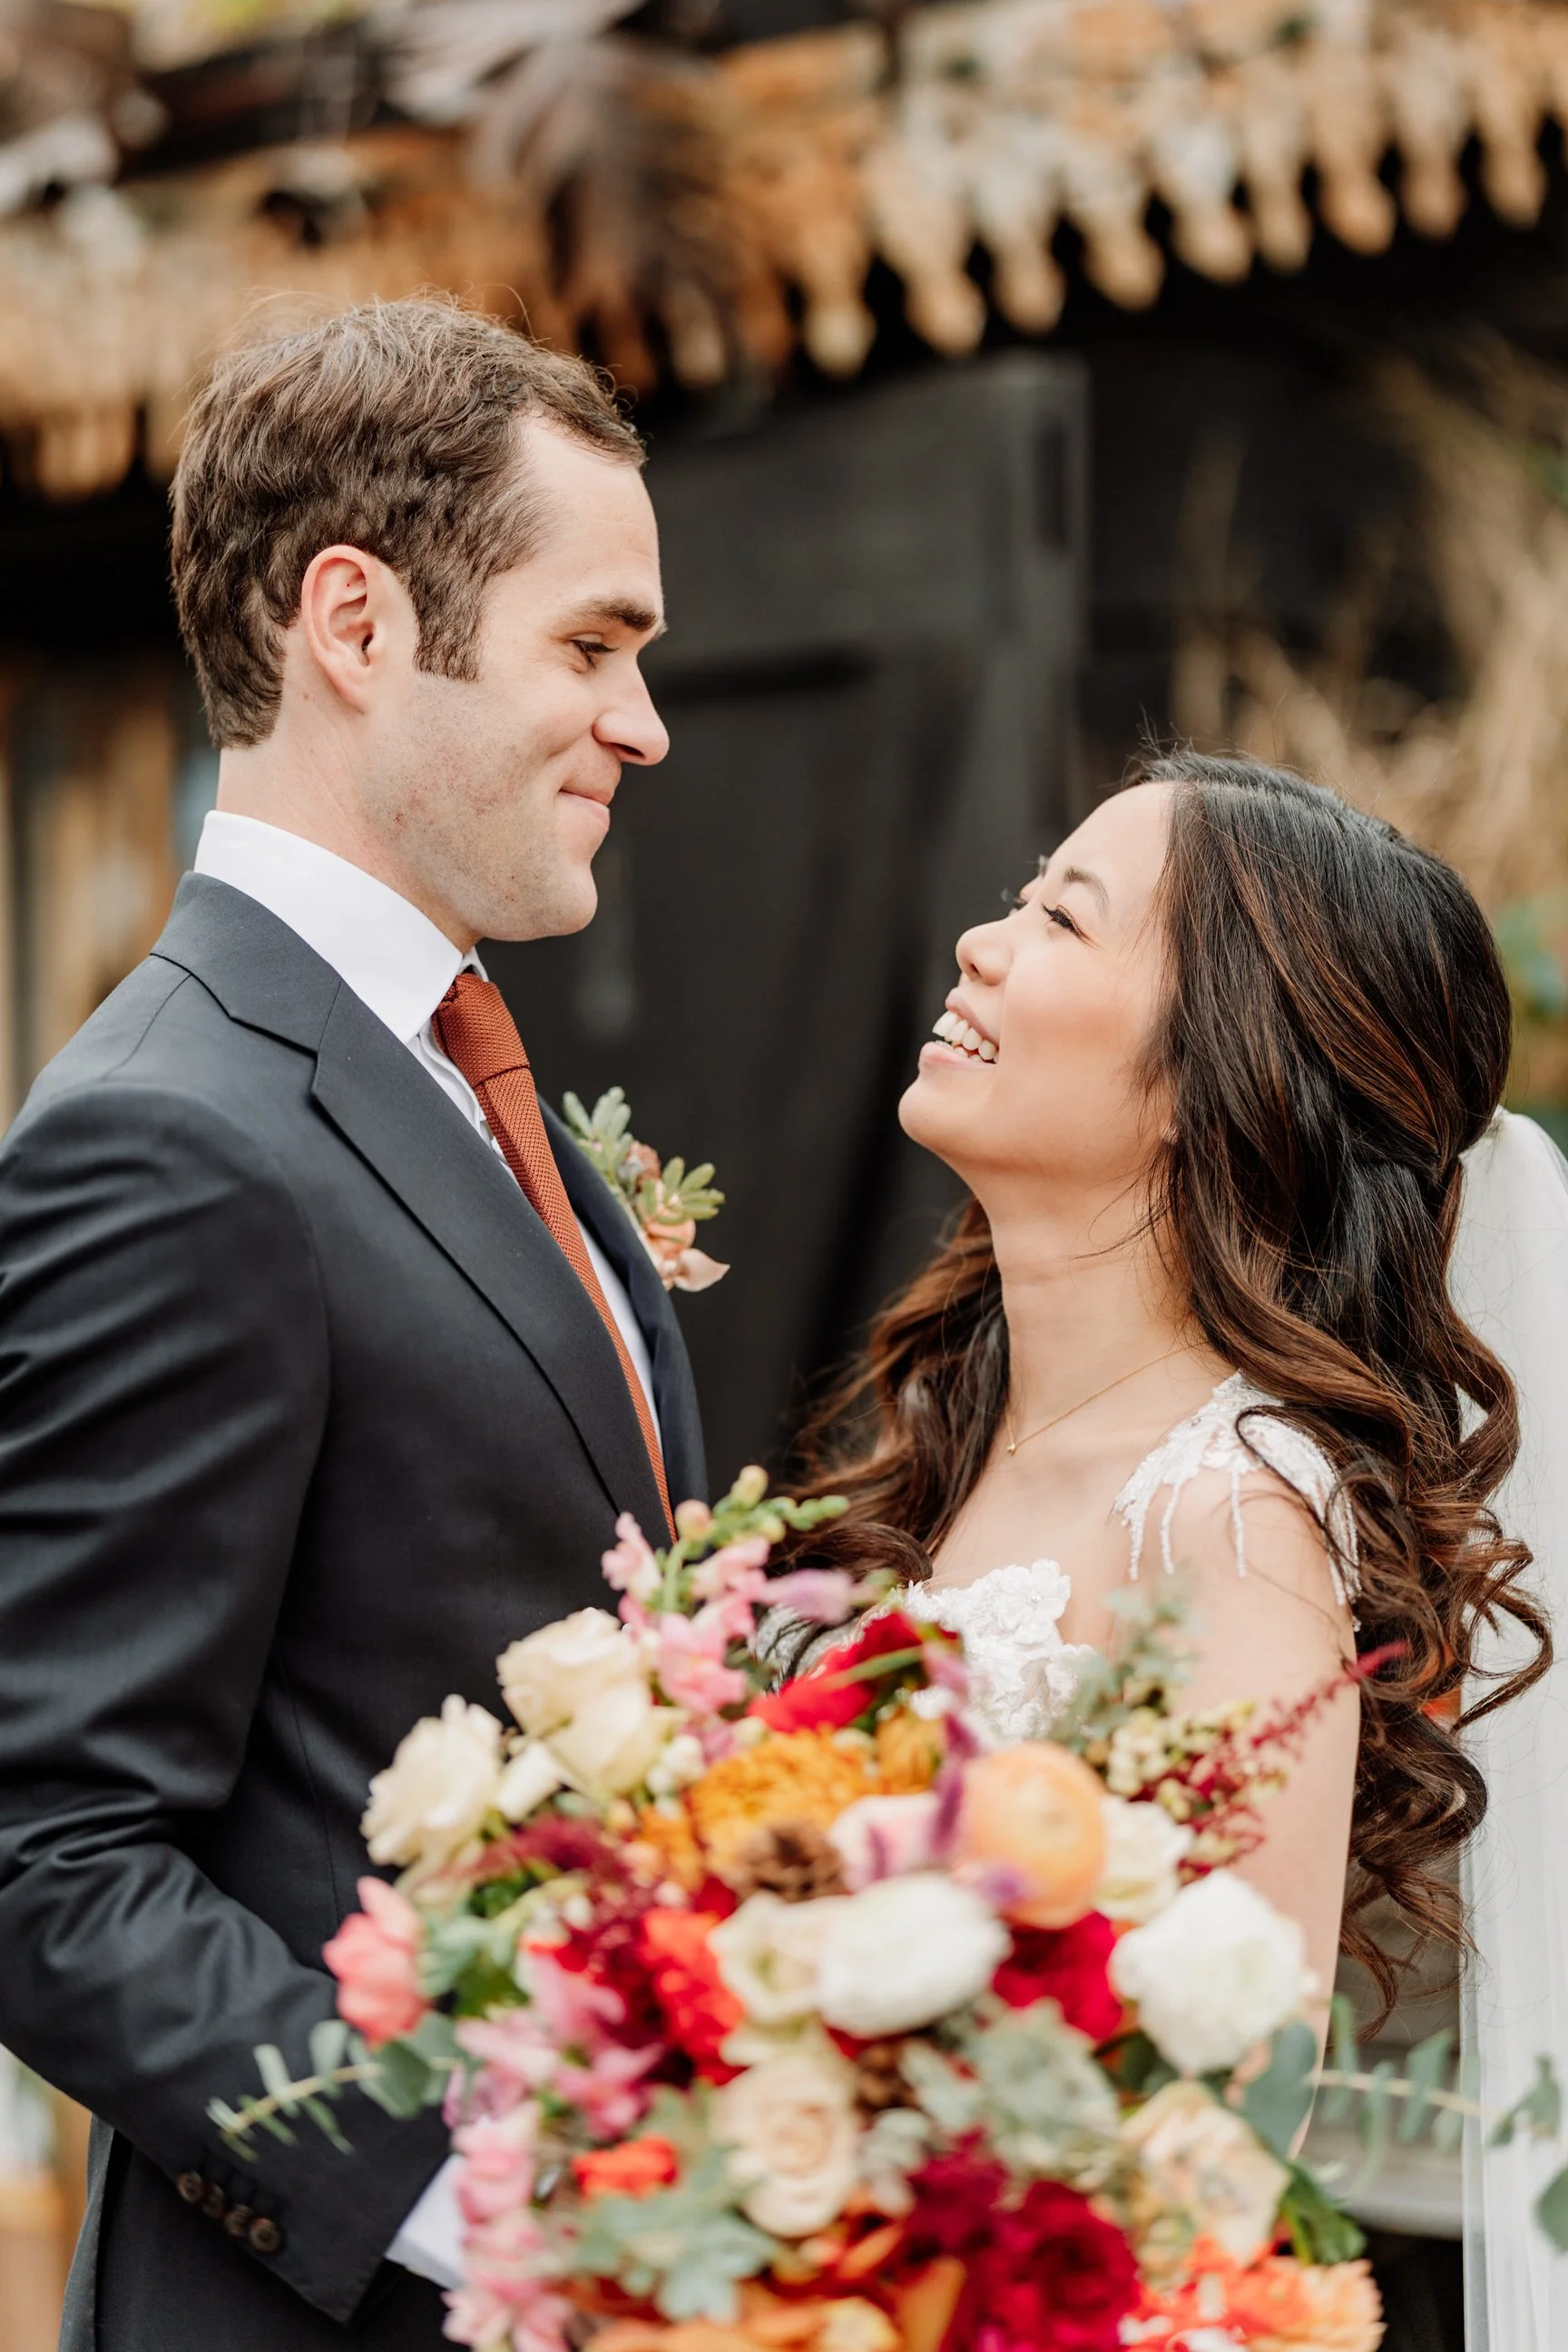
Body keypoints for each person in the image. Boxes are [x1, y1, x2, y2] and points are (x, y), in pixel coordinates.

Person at [0, 299, 704, 2350]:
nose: (645, 722)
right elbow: (42, 1848)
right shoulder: (171, 1137)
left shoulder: (450, 1082)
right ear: (358, 622)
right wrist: (490, 2210)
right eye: (594, 645)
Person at [767, 752, 1548, 2022]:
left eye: (1062, 918)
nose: (982, 943)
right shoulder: (963, 1420)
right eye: (1023, 898)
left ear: (1216, 1071)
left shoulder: (1233, 1518)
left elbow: (1231, 2100)